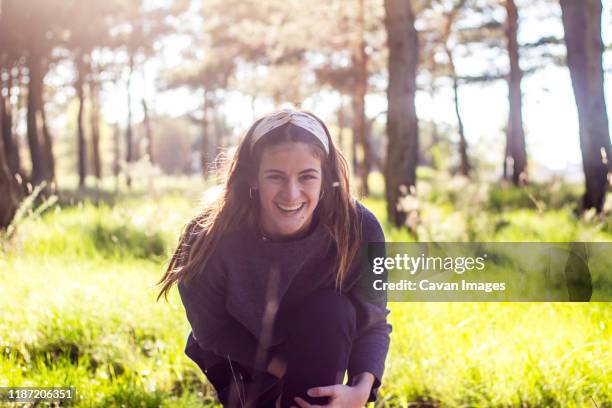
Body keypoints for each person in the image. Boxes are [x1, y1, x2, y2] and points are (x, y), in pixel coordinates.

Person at [157, 109, 391, 407]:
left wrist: (360, 391)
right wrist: (285, 370)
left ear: (326, 178)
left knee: (333, 309)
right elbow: (212, 330)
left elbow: (373, 318)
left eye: (307, 176)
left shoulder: (360, 227)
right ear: (254, 178)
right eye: (276, 177)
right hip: (240, 359)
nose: (291, 194)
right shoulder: (208, 234)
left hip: (318, 343)